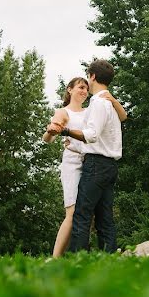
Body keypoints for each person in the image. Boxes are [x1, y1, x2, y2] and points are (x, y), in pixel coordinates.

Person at [43, 75, 126, 257]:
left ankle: (84, 253)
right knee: (73, 213)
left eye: (86, 88)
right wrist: (51, 132)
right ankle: (55, 258)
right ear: (69, 89)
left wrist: (112, 99)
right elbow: (48, 138)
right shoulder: (63, 112)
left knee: (89, 214)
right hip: (73, 163)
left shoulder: (92, 109)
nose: (84, 91)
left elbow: (122, 116)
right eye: (80, 87)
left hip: (90, 163)